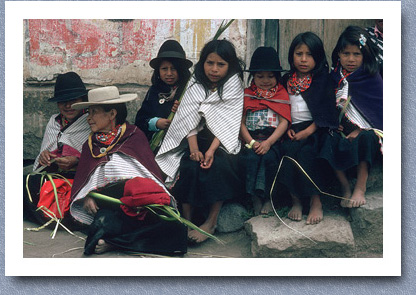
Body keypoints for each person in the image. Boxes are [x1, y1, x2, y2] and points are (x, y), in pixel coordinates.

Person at [69, 86, 187, 255]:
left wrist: (143, 197)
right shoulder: (90, 145)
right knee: (102, 223)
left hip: (141, 202)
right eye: (89, 113)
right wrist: (87, 196)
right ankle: (122, 242)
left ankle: (115, 243)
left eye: (94, 112)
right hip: (112, 205)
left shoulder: (134, 135)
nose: (89, 118)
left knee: (176, 230)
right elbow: (84, 179)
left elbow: (147, 171)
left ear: (112, 114)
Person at [155, 39, 245, 243]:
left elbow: (228, 122)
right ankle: (188, 221)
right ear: (202, 63)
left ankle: (211, 222)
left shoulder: (233, 85)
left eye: (220, 65)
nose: (214, 69)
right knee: (188, 165)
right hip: (195, 140)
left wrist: (211, 151)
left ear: (229, 66)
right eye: (209, 63)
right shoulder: (195, 83)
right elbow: (188, 119)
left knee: (220, 165)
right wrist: (194, 149)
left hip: (221, 142)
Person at [277, 32, 338, 225]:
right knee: (287, 154)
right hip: (289, 128)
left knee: (307, 155)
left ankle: (315, 201)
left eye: (310, 54)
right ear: (291, 56)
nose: (303, 59)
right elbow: (279, 106)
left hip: (315, 130)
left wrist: (308, 131)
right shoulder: (285, 80)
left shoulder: (322, 80)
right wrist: (286, 125)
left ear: (318, 57)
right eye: (299, 54)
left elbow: (327, 111)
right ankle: (296, 201)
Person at [320, 26, 383, 208]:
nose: (351, 59)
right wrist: (334, 123)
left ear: (365, 56)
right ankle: (345, 187)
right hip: (341, 130)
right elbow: (327, 105)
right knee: (325, 139)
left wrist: (358, 129)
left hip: (366, 131)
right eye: (346, 53)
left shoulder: (371, 78)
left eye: (356, 54)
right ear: (338, 54)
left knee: (366, 139)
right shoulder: (334, 77)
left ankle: (360, 187)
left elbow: (379, 112)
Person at [24, 72, 91, 224]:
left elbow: (96, 157)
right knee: (26, 183)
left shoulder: (91, 121)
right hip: (52, 176)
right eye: (62, 101)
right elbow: (43, 154)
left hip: (78, 179)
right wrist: (44, 157)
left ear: (82, 100)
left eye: (73, 100)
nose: (68, 106)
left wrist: (76, 161)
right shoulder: (54, 122)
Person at [239, 47, 291, 215]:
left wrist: (268, 143)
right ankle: (254, 198)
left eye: (270, 76)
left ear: (277, 76)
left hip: (272, 140)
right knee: (250, 159)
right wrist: (251, 142)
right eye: (260, 76)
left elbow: (284, 122)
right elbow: (241, 123)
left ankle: (269, 198)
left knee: (270, 160)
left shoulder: (282, 94)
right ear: (253, 76)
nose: (265, 80)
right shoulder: (247, 94)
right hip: (251, 140)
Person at [135, 40, 192, 147]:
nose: (169, 73)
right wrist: (156, 123)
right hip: (155, 144)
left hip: (182, 144)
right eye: (164, 69)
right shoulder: (154, 91)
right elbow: (140, 120)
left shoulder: (187, 90)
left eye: (174, 69)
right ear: (158, 71)